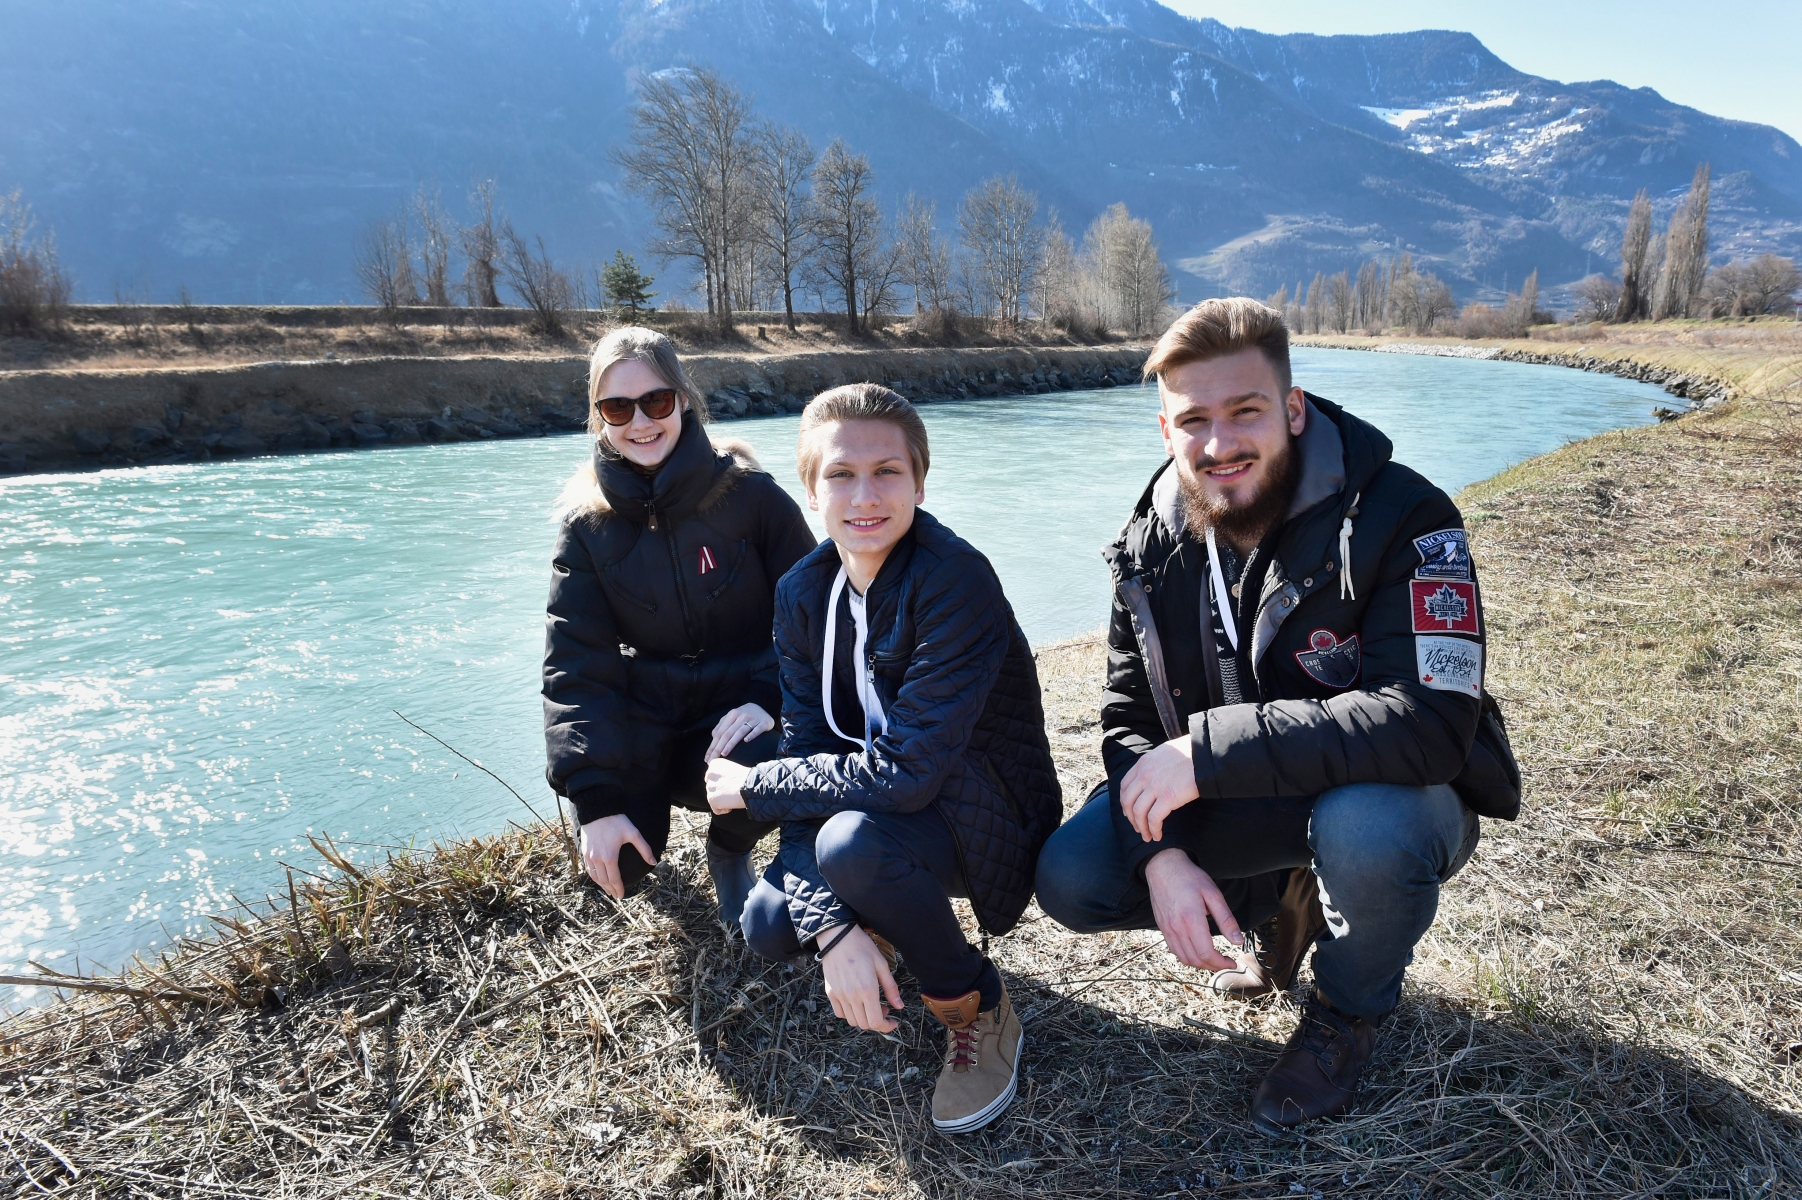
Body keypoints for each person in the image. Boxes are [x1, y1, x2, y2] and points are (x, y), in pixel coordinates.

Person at [1034, 298, 1519, 1135]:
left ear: (1293, 411)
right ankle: (1280, 902)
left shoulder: (1406, 515)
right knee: (1076, 875)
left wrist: (1206, 755)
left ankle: (1348, 1012)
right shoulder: (1148, 539)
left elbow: (1433, 722)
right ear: (1165, 431)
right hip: (1253, 788)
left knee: (1366, 830)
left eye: (1246, 412)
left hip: (1396, 794)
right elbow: (1125, 714)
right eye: (1194, 421)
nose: (1220, 445)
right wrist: (1162, 856)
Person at [703, 384, 1062, 1135]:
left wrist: (755, 787)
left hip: (981, 812)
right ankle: (880, 918)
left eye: (887, 472)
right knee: (773, 925)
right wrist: (832, 929)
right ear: (809, 489)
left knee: (850, 843)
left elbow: (905, 772)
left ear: (920, 482)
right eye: (840, 474)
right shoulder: (802, 592)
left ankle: (976, 1005)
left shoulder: (954, 580)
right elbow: (807, 749)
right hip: (883, 810)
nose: (864, 495)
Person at [542, 327, 815, 928]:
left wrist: (768, 697)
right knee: (621, 875)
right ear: (600, 419)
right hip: (647, 724)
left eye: (656, 402)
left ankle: (730, 848)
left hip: (736, 719)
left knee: (781, 759)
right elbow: (575, 665)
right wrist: (595, 800)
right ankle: (645, 815)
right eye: (617, 407)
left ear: (683, 400)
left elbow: (816, 618)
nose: (640, 422)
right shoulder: (585, 526)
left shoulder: (755, 500)